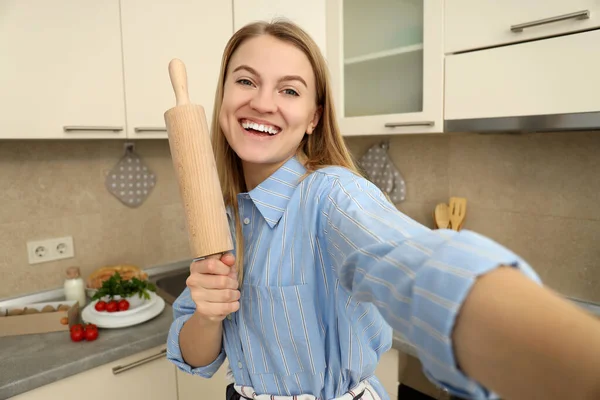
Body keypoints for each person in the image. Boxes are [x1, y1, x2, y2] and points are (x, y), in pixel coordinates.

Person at [166, 20, 600, 400]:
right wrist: (207, 315)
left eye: (289, 90)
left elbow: (419, 265)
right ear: (223, 95)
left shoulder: (332, 195)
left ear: (313, 117)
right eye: (245, 81)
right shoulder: (223, 216)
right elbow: (193, 356)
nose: (262, 102)